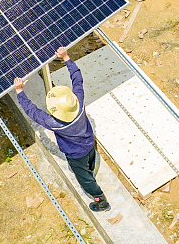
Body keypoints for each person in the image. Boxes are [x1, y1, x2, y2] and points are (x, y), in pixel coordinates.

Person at [14, 48, 110, 212]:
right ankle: (91, 167)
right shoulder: (78, 103)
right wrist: (66, 58)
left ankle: (101, 200)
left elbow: (33, 112)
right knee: (90, 158)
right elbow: (77, 80)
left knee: (85, 179)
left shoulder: (54, 123)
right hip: (88, 142)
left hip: (75, 155)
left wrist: (19, 91)